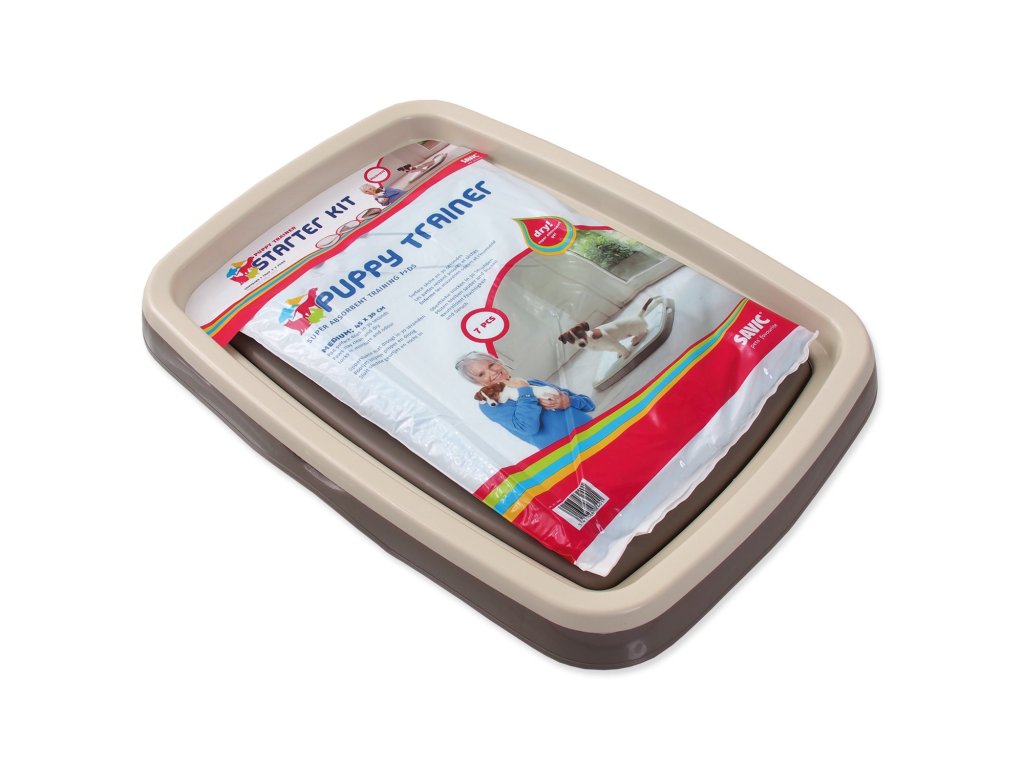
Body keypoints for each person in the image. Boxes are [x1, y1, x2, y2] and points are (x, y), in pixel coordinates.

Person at [455, 352, 595, 450]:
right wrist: (524, 391)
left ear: (498, 362)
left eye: (491, 365)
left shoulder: (533, 382)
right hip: (569, 452)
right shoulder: (491, 406)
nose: (492, 372)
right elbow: (528, 428)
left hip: (596, 432)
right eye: (481, 374)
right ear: (477, 383)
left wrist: (569, 401)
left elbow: (589, 405)